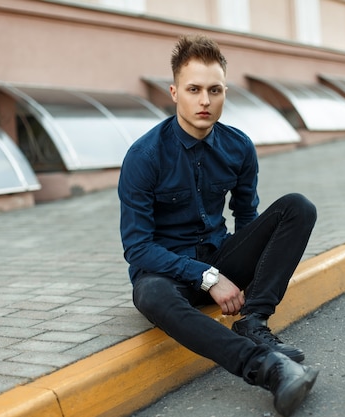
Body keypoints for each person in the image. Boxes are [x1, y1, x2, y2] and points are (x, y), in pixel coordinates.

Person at [118, 33, 318, 417]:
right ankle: (268, 368)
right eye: (194, 89)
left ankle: (254, 322)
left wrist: (252, 281)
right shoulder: (144, 156)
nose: (205, 101)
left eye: (215, 90)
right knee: (150, 297)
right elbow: (138, 248)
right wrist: (208, 278)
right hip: (166, 272)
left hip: (220, 255)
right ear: (175, 92)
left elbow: (247, 219)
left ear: (226, 92)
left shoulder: (239, 146)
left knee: (298, 207)